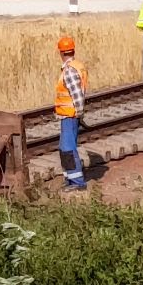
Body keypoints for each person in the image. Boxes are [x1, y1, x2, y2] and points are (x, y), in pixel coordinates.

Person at [53, 36, 88, 191]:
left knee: (67, 148)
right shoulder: (78, 65)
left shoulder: (69, 70)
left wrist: (79, 113)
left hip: (69, 115)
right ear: (73, 50)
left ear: (61, 52)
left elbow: (77, 95)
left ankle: (77, 182)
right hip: (69, 115)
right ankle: (70, 178)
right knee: (64, 147)